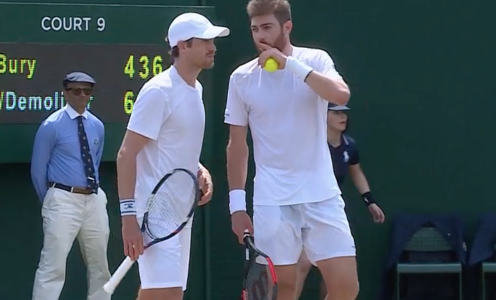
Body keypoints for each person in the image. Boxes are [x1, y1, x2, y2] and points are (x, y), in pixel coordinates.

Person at [224, 0, 358, 300]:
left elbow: (341, 93)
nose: (261, 36)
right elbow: (237, 145)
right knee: (281, 290)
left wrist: (291, 66)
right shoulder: (241, 78)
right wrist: (237, 206)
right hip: (273, 200)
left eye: (268, 27)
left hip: (322, 196)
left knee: (347, 287)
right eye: (255, 29)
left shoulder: (316, 60)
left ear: (287, 27)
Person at [115, 12, 228, 300]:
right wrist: (129, 218)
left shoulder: (196, 90)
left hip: (180, 213)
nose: (212, 47)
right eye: (205, 41)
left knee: (168, 294)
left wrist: (199, 169)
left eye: (213, 40)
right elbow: (126, 154)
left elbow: (172, 143)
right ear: (183, 46)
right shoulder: (158, 91)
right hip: (153, 215)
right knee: (167, 294)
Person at [30, 72, 110, 300]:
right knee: (53, 266)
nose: (82, 95)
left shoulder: (97, 126)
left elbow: (94, 160)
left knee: (100, 266)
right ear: (65, 93)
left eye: (87, 91)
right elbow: (38, 170)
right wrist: (51, 201)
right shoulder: (51, 126)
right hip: (62, 197)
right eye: (77, 90)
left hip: (93, 199)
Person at [295, 103, 386, 300]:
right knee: (302, 264)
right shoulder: (310, 145)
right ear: (323, 115)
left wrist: (370, 201)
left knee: (333, 268)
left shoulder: (349, 146)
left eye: (344, 113)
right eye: (336, 113)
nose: (342, 117)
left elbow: (356, 173)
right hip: (305, 209)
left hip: (332, 211)